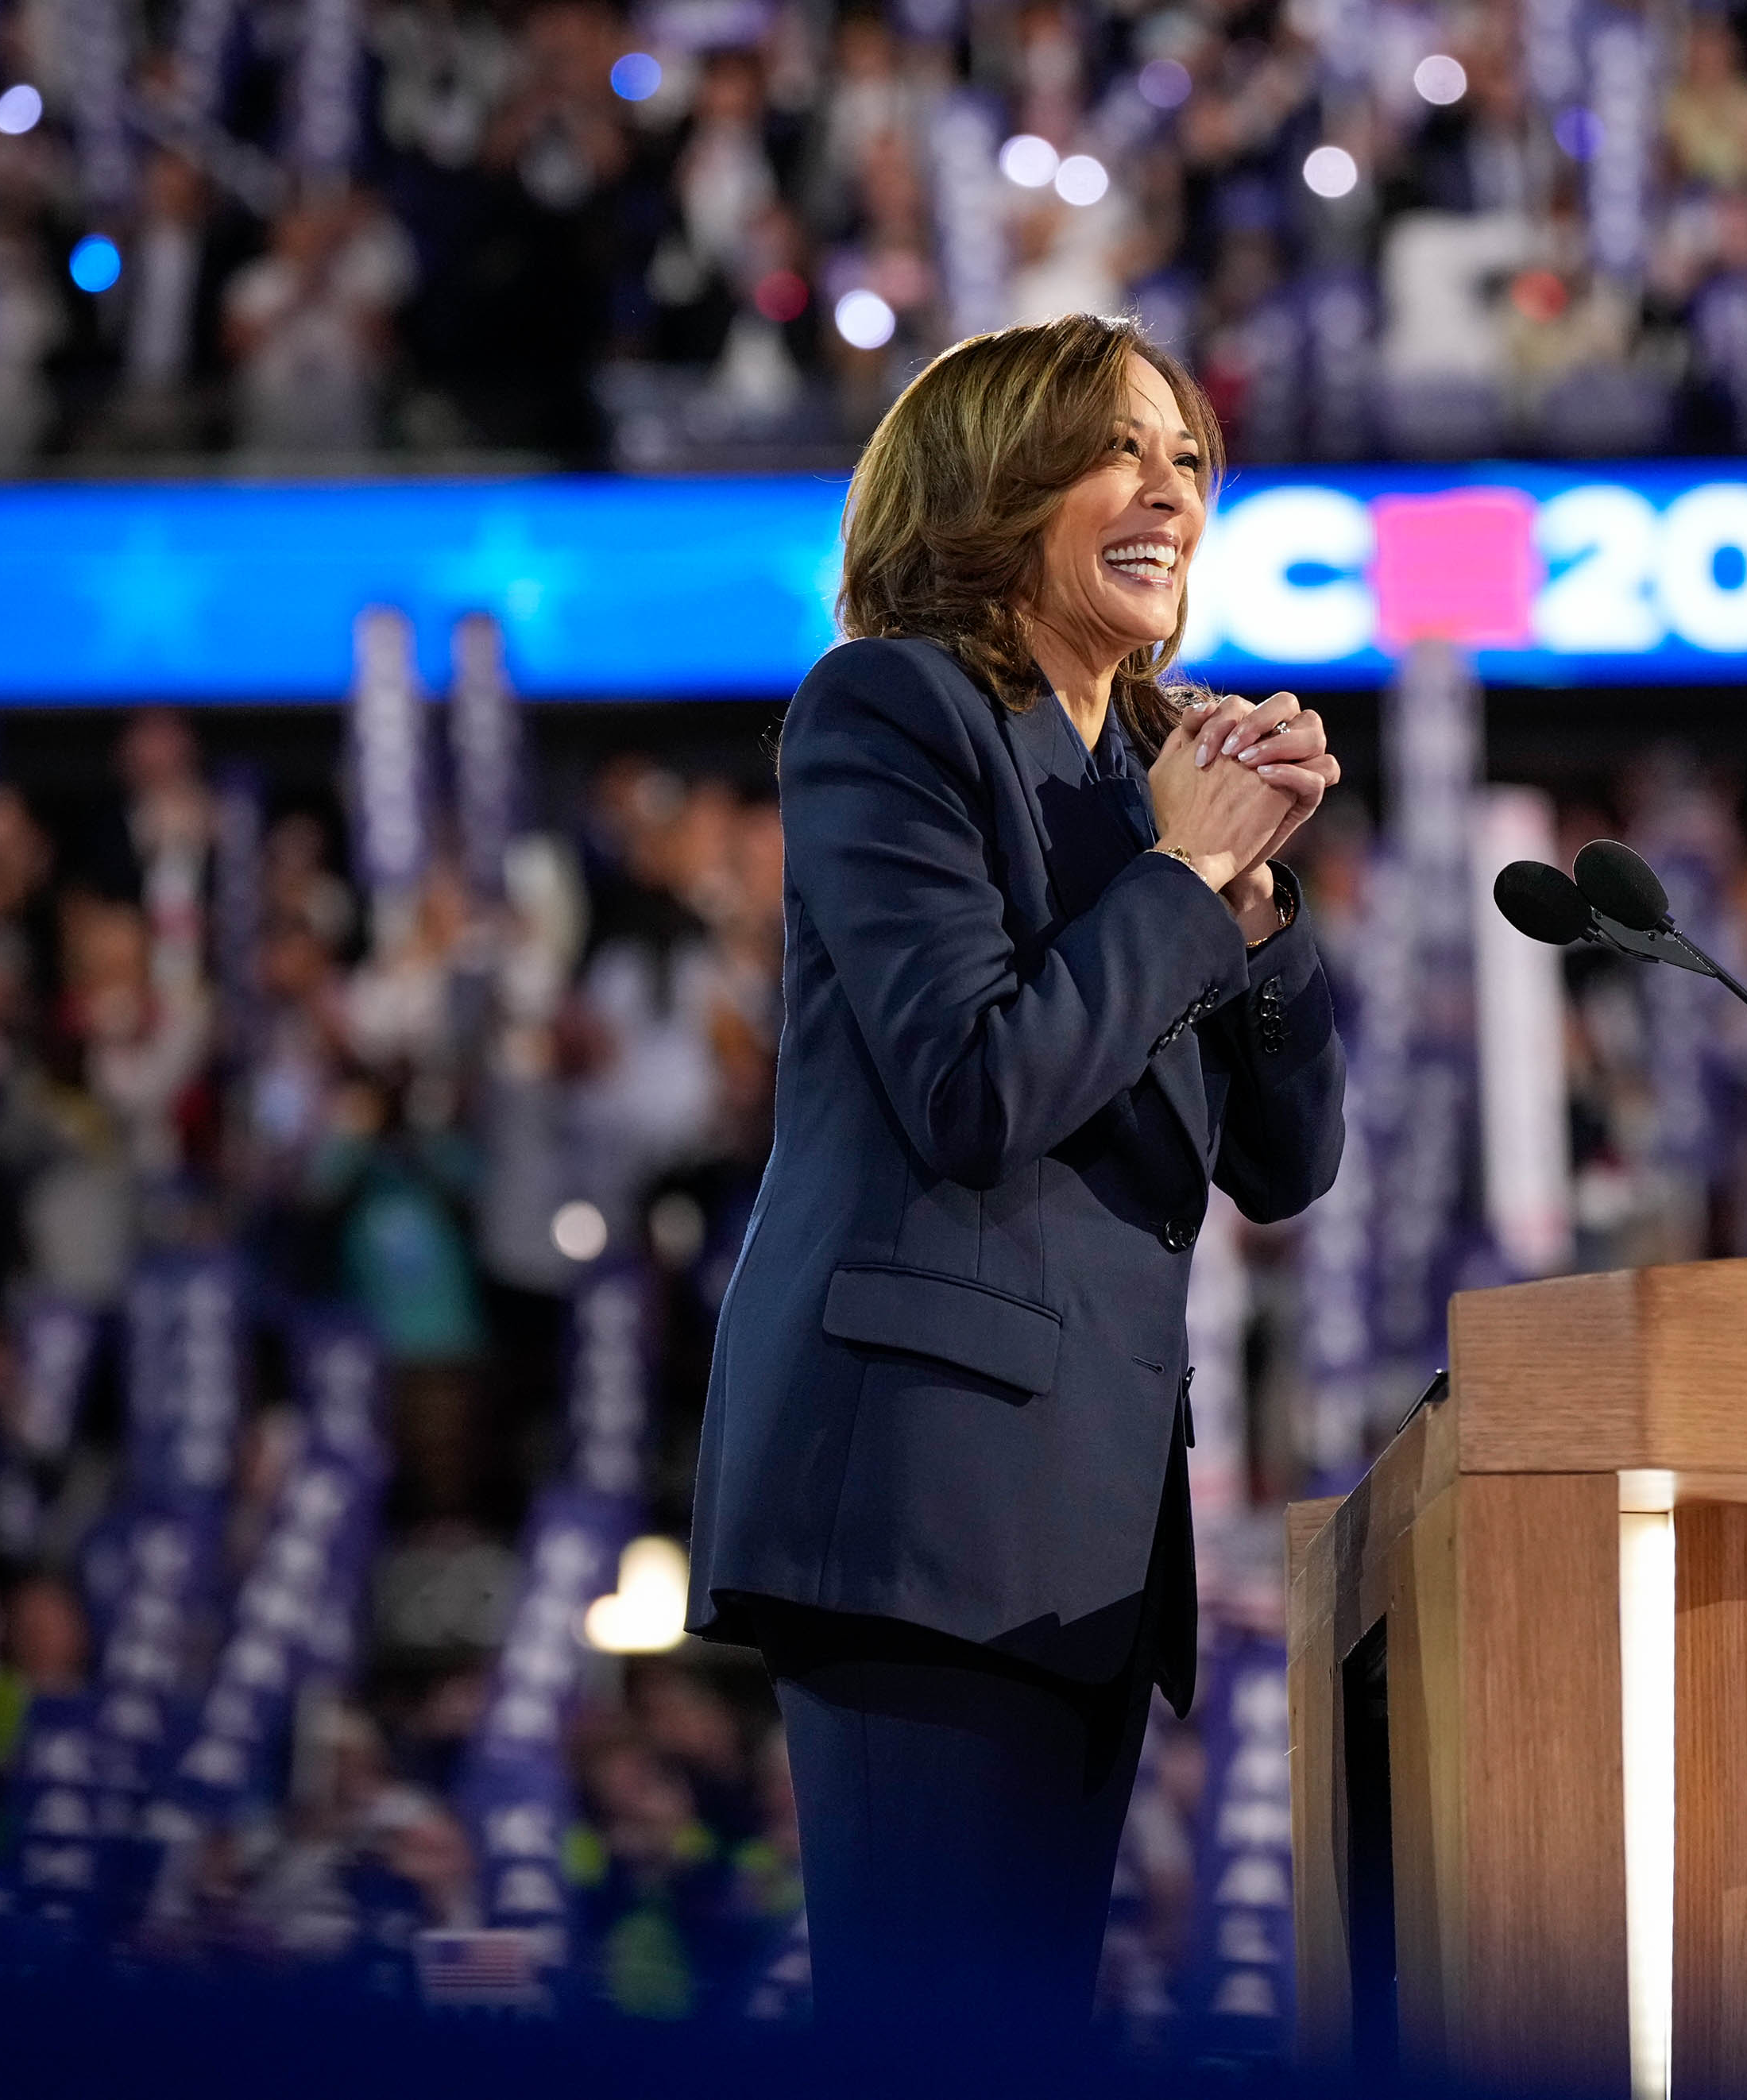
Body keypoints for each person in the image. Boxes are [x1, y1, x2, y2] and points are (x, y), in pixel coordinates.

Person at [683, 313, 1345, 2046]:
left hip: (1086, 1530)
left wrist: (1252, 913)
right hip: (920, 1499)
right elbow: (974, 1089)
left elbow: (1287, 1160)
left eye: (1187, 458)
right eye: (1119, 450)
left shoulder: (1147, 770)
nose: (1170, 492)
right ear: (994, 487)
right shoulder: (890, 711)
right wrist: (1185, 875)